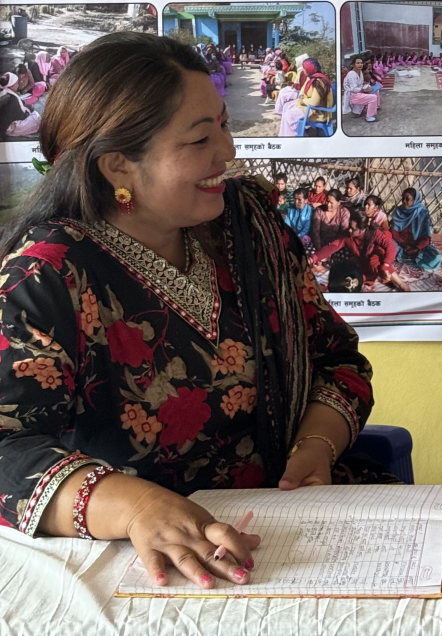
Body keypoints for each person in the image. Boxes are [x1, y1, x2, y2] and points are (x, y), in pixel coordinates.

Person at [0, 34, 394, 588]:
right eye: (201, 138)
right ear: (118, 166)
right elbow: (8, 448)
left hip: (291, 525)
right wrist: (136, 509)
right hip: (143, 563)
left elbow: (338, 360)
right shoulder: (47, 274)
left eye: (225, 125)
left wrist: (316, 445)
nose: (228, 151)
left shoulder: (251, 225)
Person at [345, 209, 410, 291]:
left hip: (377, 256)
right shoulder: (348, 235)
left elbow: (391, 246)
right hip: (363, 259)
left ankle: (400, 283)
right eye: (349, 227)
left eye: (353, 229)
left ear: (362, 228)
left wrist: (385, 266)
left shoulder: (374, 232)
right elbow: (334, 245)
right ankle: (383, 277)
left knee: (374, 262)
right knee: (355, 273)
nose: (349, 230)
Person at [391, 188, 442, 271]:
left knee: (436, 258)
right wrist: (403, 244)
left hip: (418, 245)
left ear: (415, 200)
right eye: (403, 198)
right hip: (401, 244)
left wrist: (416, 249)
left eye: (407, 199)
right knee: (387, 246)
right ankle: (406, 256)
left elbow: (426, 237)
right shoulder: (399, 211)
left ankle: (410, 256)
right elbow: (394, 232)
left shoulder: (423, 213)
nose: (404, 201)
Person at [343, 57, 378, 122]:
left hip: (358, 93)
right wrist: (364, 90)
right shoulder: (352, 74)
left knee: (374, 89)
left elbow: (360, 84)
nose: (360, 65)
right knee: (373, 97)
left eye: (361, 63)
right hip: (353, 96)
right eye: (358, 63)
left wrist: (367, 86)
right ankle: (369, 117)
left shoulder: (360, 72)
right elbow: (353, 89)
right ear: (353, 65)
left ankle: (373, 107)